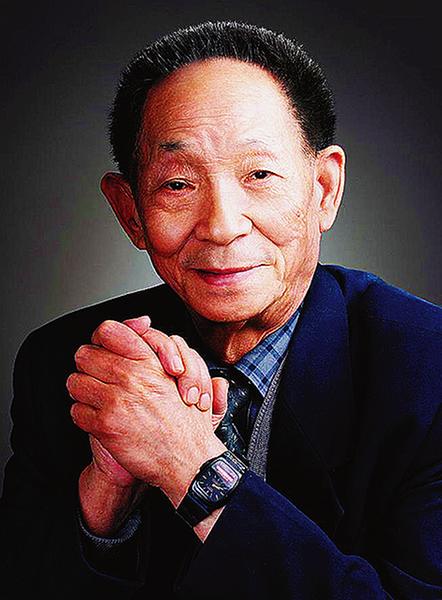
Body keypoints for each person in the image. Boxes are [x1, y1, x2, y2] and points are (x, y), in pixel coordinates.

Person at [1, 20, 441, 599]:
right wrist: (106, 494)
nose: (222, 226)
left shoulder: (428, 369)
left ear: (324, 189)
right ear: (130, 212)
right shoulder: (69, 364)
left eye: (259, 174)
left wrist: (191, 465)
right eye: (178, 185)